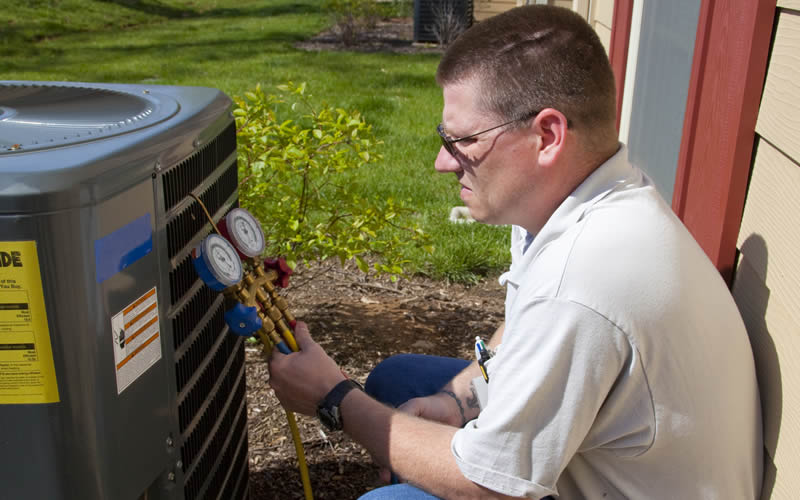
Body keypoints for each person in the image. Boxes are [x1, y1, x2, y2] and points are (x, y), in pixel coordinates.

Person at [267, 5, 763, 499]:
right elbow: (521, 326)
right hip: (604, 456)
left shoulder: (582, 281)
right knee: (398, 380)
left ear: (547, 136)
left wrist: (333, 398)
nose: (443, 162)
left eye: (461, 140)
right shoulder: (581, 202)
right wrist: (460, 402)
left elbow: (486, 484)